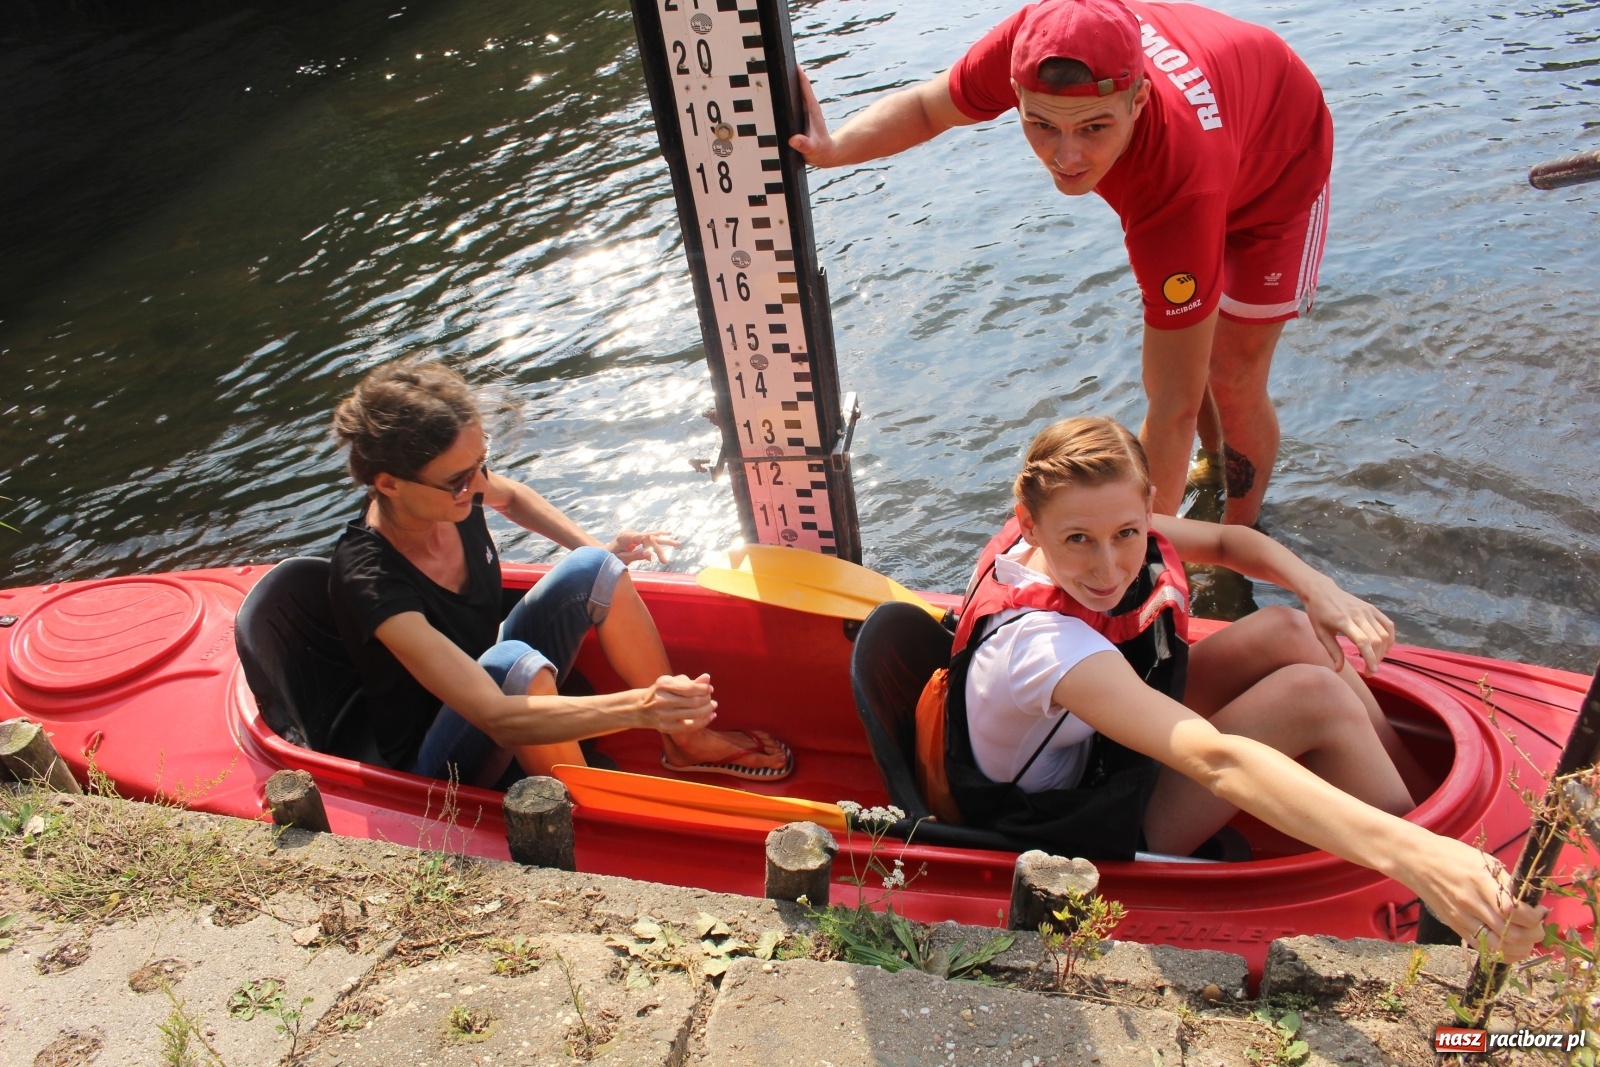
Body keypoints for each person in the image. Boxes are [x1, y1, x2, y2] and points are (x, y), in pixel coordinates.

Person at [916, 416, 1543, 958]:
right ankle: (1436, 875)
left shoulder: (1062, 521)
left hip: (1097, 750)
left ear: (1146, 506)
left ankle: (1429, 816)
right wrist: (1416, 859)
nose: (1108, 568)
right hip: (1080, 818)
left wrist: (1317, 588)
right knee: (1312, 696)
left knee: (1286, 632)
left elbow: (1225, 539)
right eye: (1079, 541)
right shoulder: (1045, 647)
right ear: (1030, 522)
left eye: (1127, 534)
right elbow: (1216, 761)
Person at [789, 0, 1336, 526]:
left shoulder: (1176, 186)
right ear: (1014, 92)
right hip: (1221, 116)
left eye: (1094, 128)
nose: (1066, 158)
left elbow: (1171, 408)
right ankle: (1213, 465)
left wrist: (1134, 567)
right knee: (1194, 361)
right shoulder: (1032, 37)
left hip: (1281, 154)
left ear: (1138, 99)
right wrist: (835, 149)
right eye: (1042, 125)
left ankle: (1240, 534)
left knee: (1230, 373)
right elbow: (929, 108)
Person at [326, 358, 792, 787]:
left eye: (480, 464)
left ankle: (685, 744)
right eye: (460, 480)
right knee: (511, 667)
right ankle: (579, 807)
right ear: (388, 483)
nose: (479, 486)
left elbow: (513, 497)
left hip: (498, 678)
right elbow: (497, 716)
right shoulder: (369, 579)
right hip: (439, 763)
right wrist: (641, 709)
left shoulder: (453, 494)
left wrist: (601, 554)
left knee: (593, 569)